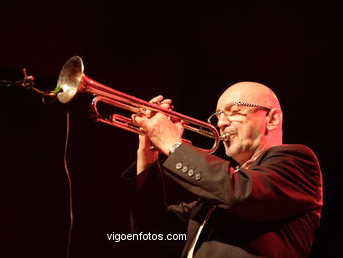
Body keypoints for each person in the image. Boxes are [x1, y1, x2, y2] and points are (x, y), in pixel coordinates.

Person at [121, 82, 323, 258]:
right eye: (218, 116)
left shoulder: (298, 161)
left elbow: (239, 193)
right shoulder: (213, 198)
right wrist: (148, 154)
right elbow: (150, 233)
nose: (221, 123)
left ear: (272, 119)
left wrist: (172, 144)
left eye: (234, 111)